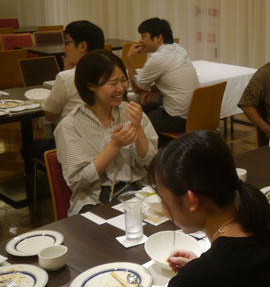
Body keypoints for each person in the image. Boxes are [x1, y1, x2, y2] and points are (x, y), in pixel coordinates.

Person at [24, 130, 270, 287]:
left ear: (191, 200)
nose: (164, 209)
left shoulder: (206, 278)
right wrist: (203, 267)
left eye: (163, 201)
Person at [54, 50, 158, 215]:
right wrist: (114, 146)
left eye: (123, 80)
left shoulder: (131, 112)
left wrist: (138, 129)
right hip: (95, 199)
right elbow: (78, 181)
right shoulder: (70, 126)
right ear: (90, 86)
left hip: (137, 191)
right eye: (112, 83)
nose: (121, 88)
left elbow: (150, 163)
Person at [125, 18, 199, 133]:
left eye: (143, 36)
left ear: (158, 38)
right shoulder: (178, 49)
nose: (140, 41)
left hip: (176, 119)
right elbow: (171, 80)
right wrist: (152, 90)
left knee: (133, 117)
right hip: (194, 115)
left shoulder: (158, 58)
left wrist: (129, 58)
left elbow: (136, 88)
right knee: (146, 106)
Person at [42, 20, 105, 123]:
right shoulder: (111, 71)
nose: (64, 48)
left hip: (73, 132)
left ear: (82, 46)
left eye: (67, 42)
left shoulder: (66, 77)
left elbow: (50, 115)